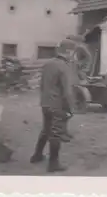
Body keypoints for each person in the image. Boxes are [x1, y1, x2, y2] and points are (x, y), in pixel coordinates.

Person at [29, 38, 77, 173]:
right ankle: (53, 164)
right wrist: (71, 107)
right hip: (57, 104)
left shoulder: (48, 63)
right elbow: (67, 91)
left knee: (46, 129)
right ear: (68, 51)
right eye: (73, 52)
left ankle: (37, 155)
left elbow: (42, 84)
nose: (73, 55)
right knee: (56, 133)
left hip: (45, 103)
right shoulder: (64, 66)